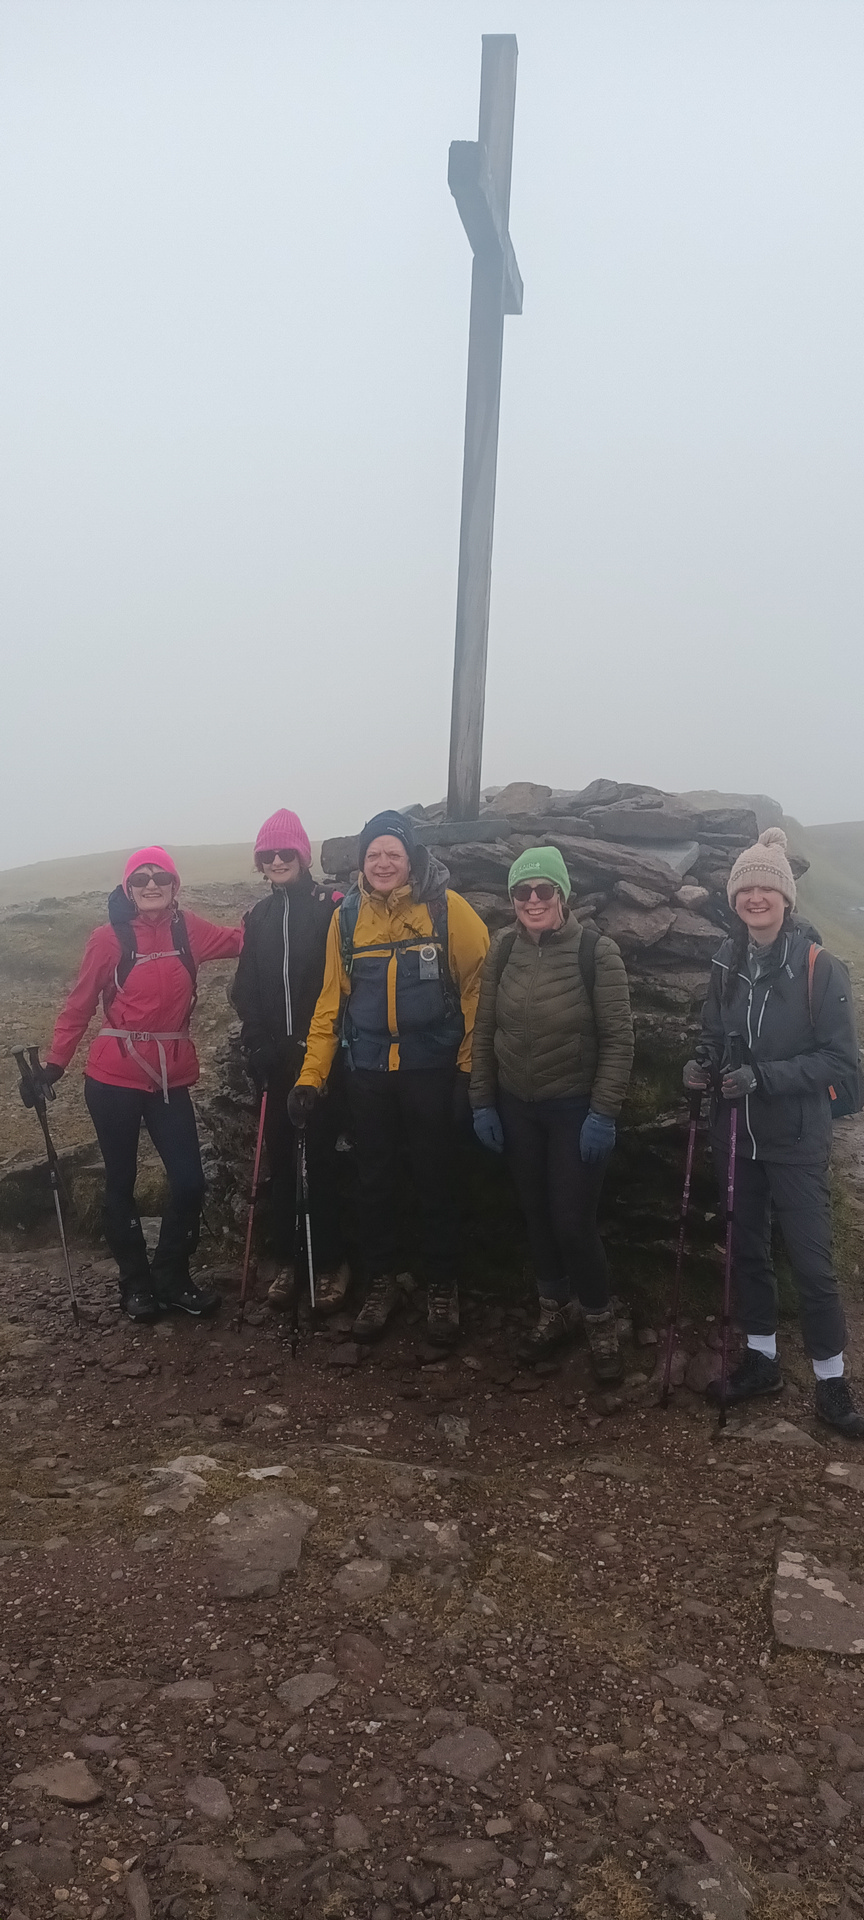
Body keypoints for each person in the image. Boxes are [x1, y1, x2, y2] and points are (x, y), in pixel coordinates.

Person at [683, 827, 864, 1436]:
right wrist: (702, 1065)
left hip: (794, 1137)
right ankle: (762, 1359)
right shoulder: (725, 963)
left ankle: (832, 1380)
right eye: (746, 888)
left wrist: (765, 1078)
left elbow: (841, 1063)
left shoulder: (820, 967)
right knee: (747, 1249)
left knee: (812, 1263)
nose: (756, 897)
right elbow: (713, 1033)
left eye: (767, 887)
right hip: (735, 1132)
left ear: (786, 899)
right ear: (734, 898)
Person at [288, 809, 489, 1346]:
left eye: (392, 855)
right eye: (374, 854)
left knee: (436, 1180)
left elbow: (478, 995)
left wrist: (468, 1073)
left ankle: (440, 1286)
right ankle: (382, 1282)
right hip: (369, 1075)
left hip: (432, 1072)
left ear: (411, 860)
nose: (382, 863)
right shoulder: (347, 919)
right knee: (373, 1182)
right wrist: (311, 1079)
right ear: (362, 862)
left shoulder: (449, 912)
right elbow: (331, 1002)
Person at [25, 848, 243, 1322]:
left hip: (171, 1079)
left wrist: (306, 908)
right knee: (120, 1181)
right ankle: (136, 1285)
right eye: (140, 878)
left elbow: (246, 940)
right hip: (113, 1078)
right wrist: (54, 1066)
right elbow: (80, 1003)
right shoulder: (109, 939)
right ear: (128, 887)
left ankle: (171, 1276)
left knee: (188, 1180)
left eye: (160, 876)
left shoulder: (189, 930)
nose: (150, 884)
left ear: (174, 885)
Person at [470, 846, 635, 1383]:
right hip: (517, 1107)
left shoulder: (597, 952)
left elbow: (618, 1041)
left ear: (562, 894)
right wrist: (482, 1102)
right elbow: (486, 1029)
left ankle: (599, 1322)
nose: (533, 900)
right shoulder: (501, 950)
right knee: (536, 1213)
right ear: (512, 898)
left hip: (574, 1110)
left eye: (544, 890)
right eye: (523, 891)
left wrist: (603, 1113)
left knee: (572, 1221)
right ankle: (553, 1311)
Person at [230, 808, 350, 1314]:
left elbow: (342, 982)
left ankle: (331, 1263)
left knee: (325, 1159)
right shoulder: (257, 917)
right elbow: (246, 989)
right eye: (268, 854)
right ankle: (287, 1261)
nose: (277, 860)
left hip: (324, 1057)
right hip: (275, 1061)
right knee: (280, 1162)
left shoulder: (332, 907)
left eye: (286, 852)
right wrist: (257, 1043)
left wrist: (320, 1046)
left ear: (303, 856)